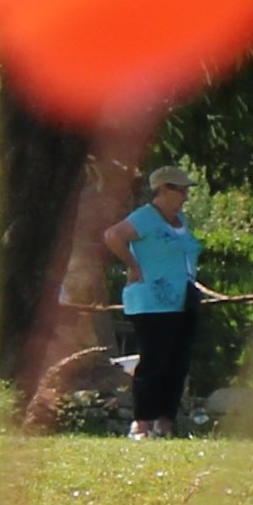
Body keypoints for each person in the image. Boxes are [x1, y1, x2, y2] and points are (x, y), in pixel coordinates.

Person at [106, 166, 206, 437]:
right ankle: (142, 422)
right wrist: (133, 266)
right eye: (180, 189)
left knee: (178, 362)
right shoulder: (145, 217)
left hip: (183, 301)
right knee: (154, 362)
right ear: (163, 190)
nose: (185, 195)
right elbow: (113, 236)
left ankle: (166, 422)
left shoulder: (181, 219)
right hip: (152, 301)